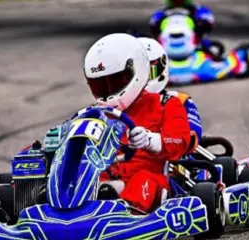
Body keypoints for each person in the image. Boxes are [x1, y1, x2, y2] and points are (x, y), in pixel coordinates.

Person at [44, 33, 192, 214]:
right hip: (107, 178)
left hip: (150, 182)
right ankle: (55, 207)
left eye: (115, 82)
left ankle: (123, 214)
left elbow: (180, 142)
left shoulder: (166, 103)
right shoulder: (93, 113)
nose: (107, 92)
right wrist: (56, 142)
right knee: (71, 176)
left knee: (144, 180)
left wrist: (150, 141)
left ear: (137, 72)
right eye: (100, 85)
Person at [138, 37, 203, 153]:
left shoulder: (179, 100)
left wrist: (154, 140)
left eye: (147, 73)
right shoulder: (117, 105)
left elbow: (191, 138)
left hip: (170, 160)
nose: (140, 80)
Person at [149, 0, 215, 50]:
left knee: (211, 48)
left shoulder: (198, 10)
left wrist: (201, 23)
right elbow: (153, 25)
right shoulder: (162, 12)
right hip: (167, 41)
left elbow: (208, 22)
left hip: (195, 43)